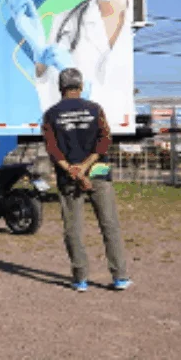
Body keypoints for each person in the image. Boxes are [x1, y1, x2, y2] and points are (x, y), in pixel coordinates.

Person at [41, 67, 132, 293]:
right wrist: (86, 167)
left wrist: (73, 170)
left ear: (60, 88)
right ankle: (119, 277)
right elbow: (104, 140)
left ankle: (80, 279)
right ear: (80, 87)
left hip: (68, 176)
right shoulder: (95, 109)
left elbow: (52, 149)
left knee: (73, 228)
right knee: (109, 225)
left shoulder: (51, 114)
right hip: (98, 172)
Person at [7, 0, 134, 126]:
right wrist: (40, 55)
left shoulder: (146, 19)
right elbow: (50, 100)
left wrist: (84, 89)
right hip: (81, 134)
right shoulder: (64, 21)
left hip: (121, 131)